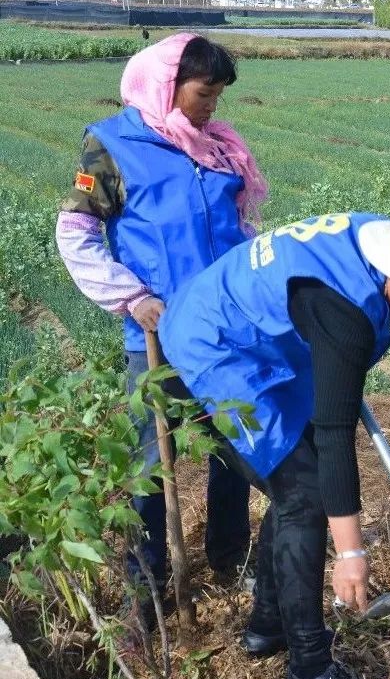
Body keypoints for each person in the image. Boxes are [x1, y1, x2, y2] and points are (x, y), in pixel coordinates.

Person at [157, 197, 390, 679]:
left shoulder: (374, 242)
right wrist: (351, 555)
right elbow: (335, 433)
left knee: (300, 484)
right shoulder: (343, 310)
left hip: (264, 344)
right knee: (303, 493)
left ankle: (268, 626)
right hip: (213, 351)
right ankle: (309, 667)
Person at [55, 33, 269, 594]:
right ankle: (147, 586)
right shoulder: (111, 144)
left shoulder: (219, 147)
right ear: (166, 84)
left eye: (219, 95)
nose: (212, 106)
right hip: (157, 332)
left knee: (231, 448)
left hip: (225, 330)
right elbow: (76, 233)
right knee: (151, 459)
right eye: (204, 92)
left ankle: (229, 561)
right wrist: (132, 298)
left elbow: (241, 230)